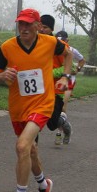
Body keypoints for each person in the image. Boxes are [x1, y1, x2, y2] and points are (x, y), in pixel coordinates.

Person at [0, 8, 72, 192]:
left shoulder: (50, 42)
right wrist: (3, 75)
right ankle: (44, 186)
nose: (23, 28)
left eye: (28, 24)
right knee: (30, 151)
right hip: (18, 107)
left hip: (43, 104)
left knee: (22, 146)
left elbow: (69, 54)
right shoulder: (7, 47)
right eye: (20, 24)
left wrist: (66, 77)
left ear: (37, 25)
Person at [38, 15, 72, 146]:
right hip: (39, 88)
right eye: (40, 26)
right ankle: (30, 146)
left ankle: (64, 122)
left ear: (51, 29)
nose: (41, 30)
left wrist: (50, 73)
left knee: (52, 124)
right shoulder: (35, 43)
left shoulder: (60, 46)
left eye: (45, 27)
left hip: (55, 88)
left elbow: (71, 66)